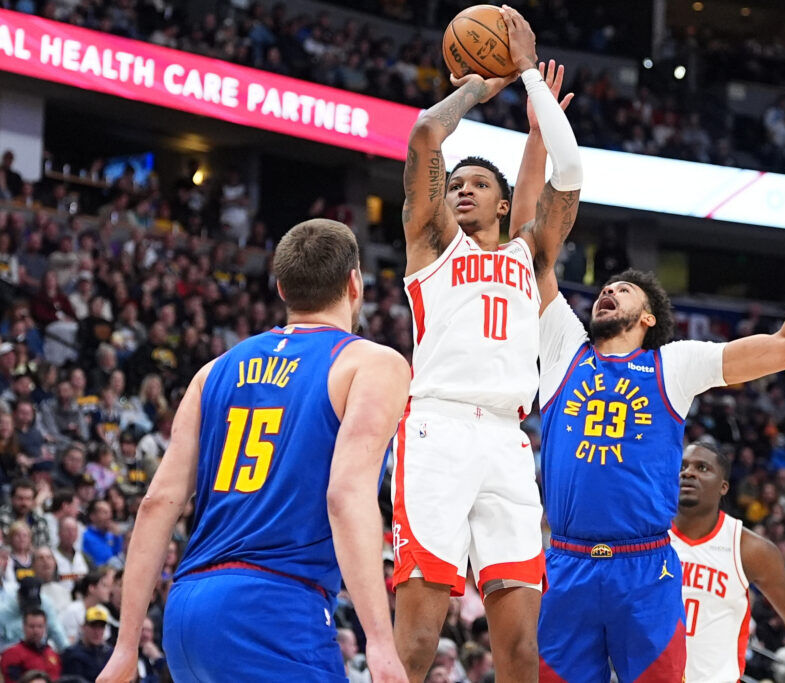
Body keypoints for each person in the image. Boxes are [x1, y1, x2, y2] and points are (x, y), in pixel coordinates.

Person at [516, 159, 785, 680]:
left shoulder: (672, 363)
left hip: (644, 569)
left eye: (623, 290)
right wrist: (538, 136)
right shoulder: (563, 348)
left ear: (647, 318)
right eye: (605, 288)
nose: (607, 291)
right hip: (567, 563)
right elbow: (531, 251)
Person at [97, 219, 409, 682]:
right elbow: (345, 497)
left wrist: (125, 648)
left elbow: (157, 503)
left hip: (185, 613)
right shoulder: (371, 363)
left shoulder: (214, 370)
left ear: (281, 288)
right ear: (354, 282)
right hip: (275, 609)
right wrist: (381, 643)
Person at [391, 7, 581, 682]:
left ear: (504, 205)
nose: (463, 191)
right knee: (416, 641)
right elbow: (422, 135)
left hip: (506, 439)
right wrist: (478, 84)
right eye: (457, 185)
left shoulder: (531, 256)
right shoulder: (433, 245)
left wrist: (529, 73)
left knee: (523, 649)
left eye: (479, 185)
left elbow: (569, 168)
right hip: (437, 428)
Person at [670, 442, 785, 682]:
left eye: (702, 467)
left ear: (723, 487)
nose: (688, 472)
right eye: (683, 466)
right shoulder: (648, 538)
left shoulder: (749, 548)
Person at [0, 608, 62, 681]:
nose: (36, 631)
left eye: (40, 626)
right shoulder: (12, 654)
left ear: (45, 628)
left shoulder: (52, 653)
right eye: (32, 626)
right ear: (24, 627)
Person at [61, 605, 113, 680]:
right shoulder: (72, 654)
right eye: (93, 626)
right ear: (84, 627)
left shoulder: (109, 653)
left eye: (101, 627)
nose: (97, 632)